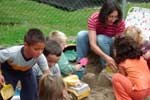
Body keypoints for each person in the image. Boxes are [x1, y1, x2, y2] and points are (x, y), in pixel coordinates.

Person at [0, 28, 49, 100]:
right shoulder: (12, 53)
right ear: (26, 45)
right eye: (36, 49)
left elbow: (47, 73)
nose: (40, 52)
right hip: (9, 71)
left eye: (42, 49)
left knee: (32, 93)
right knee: (5, 94)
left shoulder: (40, 57)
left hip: (26, 71)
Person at [76, 0, 125, 71]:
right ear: (104, 14)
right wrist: (105, 56)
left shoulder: (120, 22)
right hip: (97, 41)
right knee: (81, 35)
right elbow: (93, 44)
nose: (113, 20)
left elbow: (117, 44)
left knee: (101, 39)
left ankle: (105, 67)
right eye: (111, 16)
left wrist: (117, 59)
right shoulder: (94, 19)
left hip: (110, 44)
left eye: (116, 17)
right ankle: (81, 64)